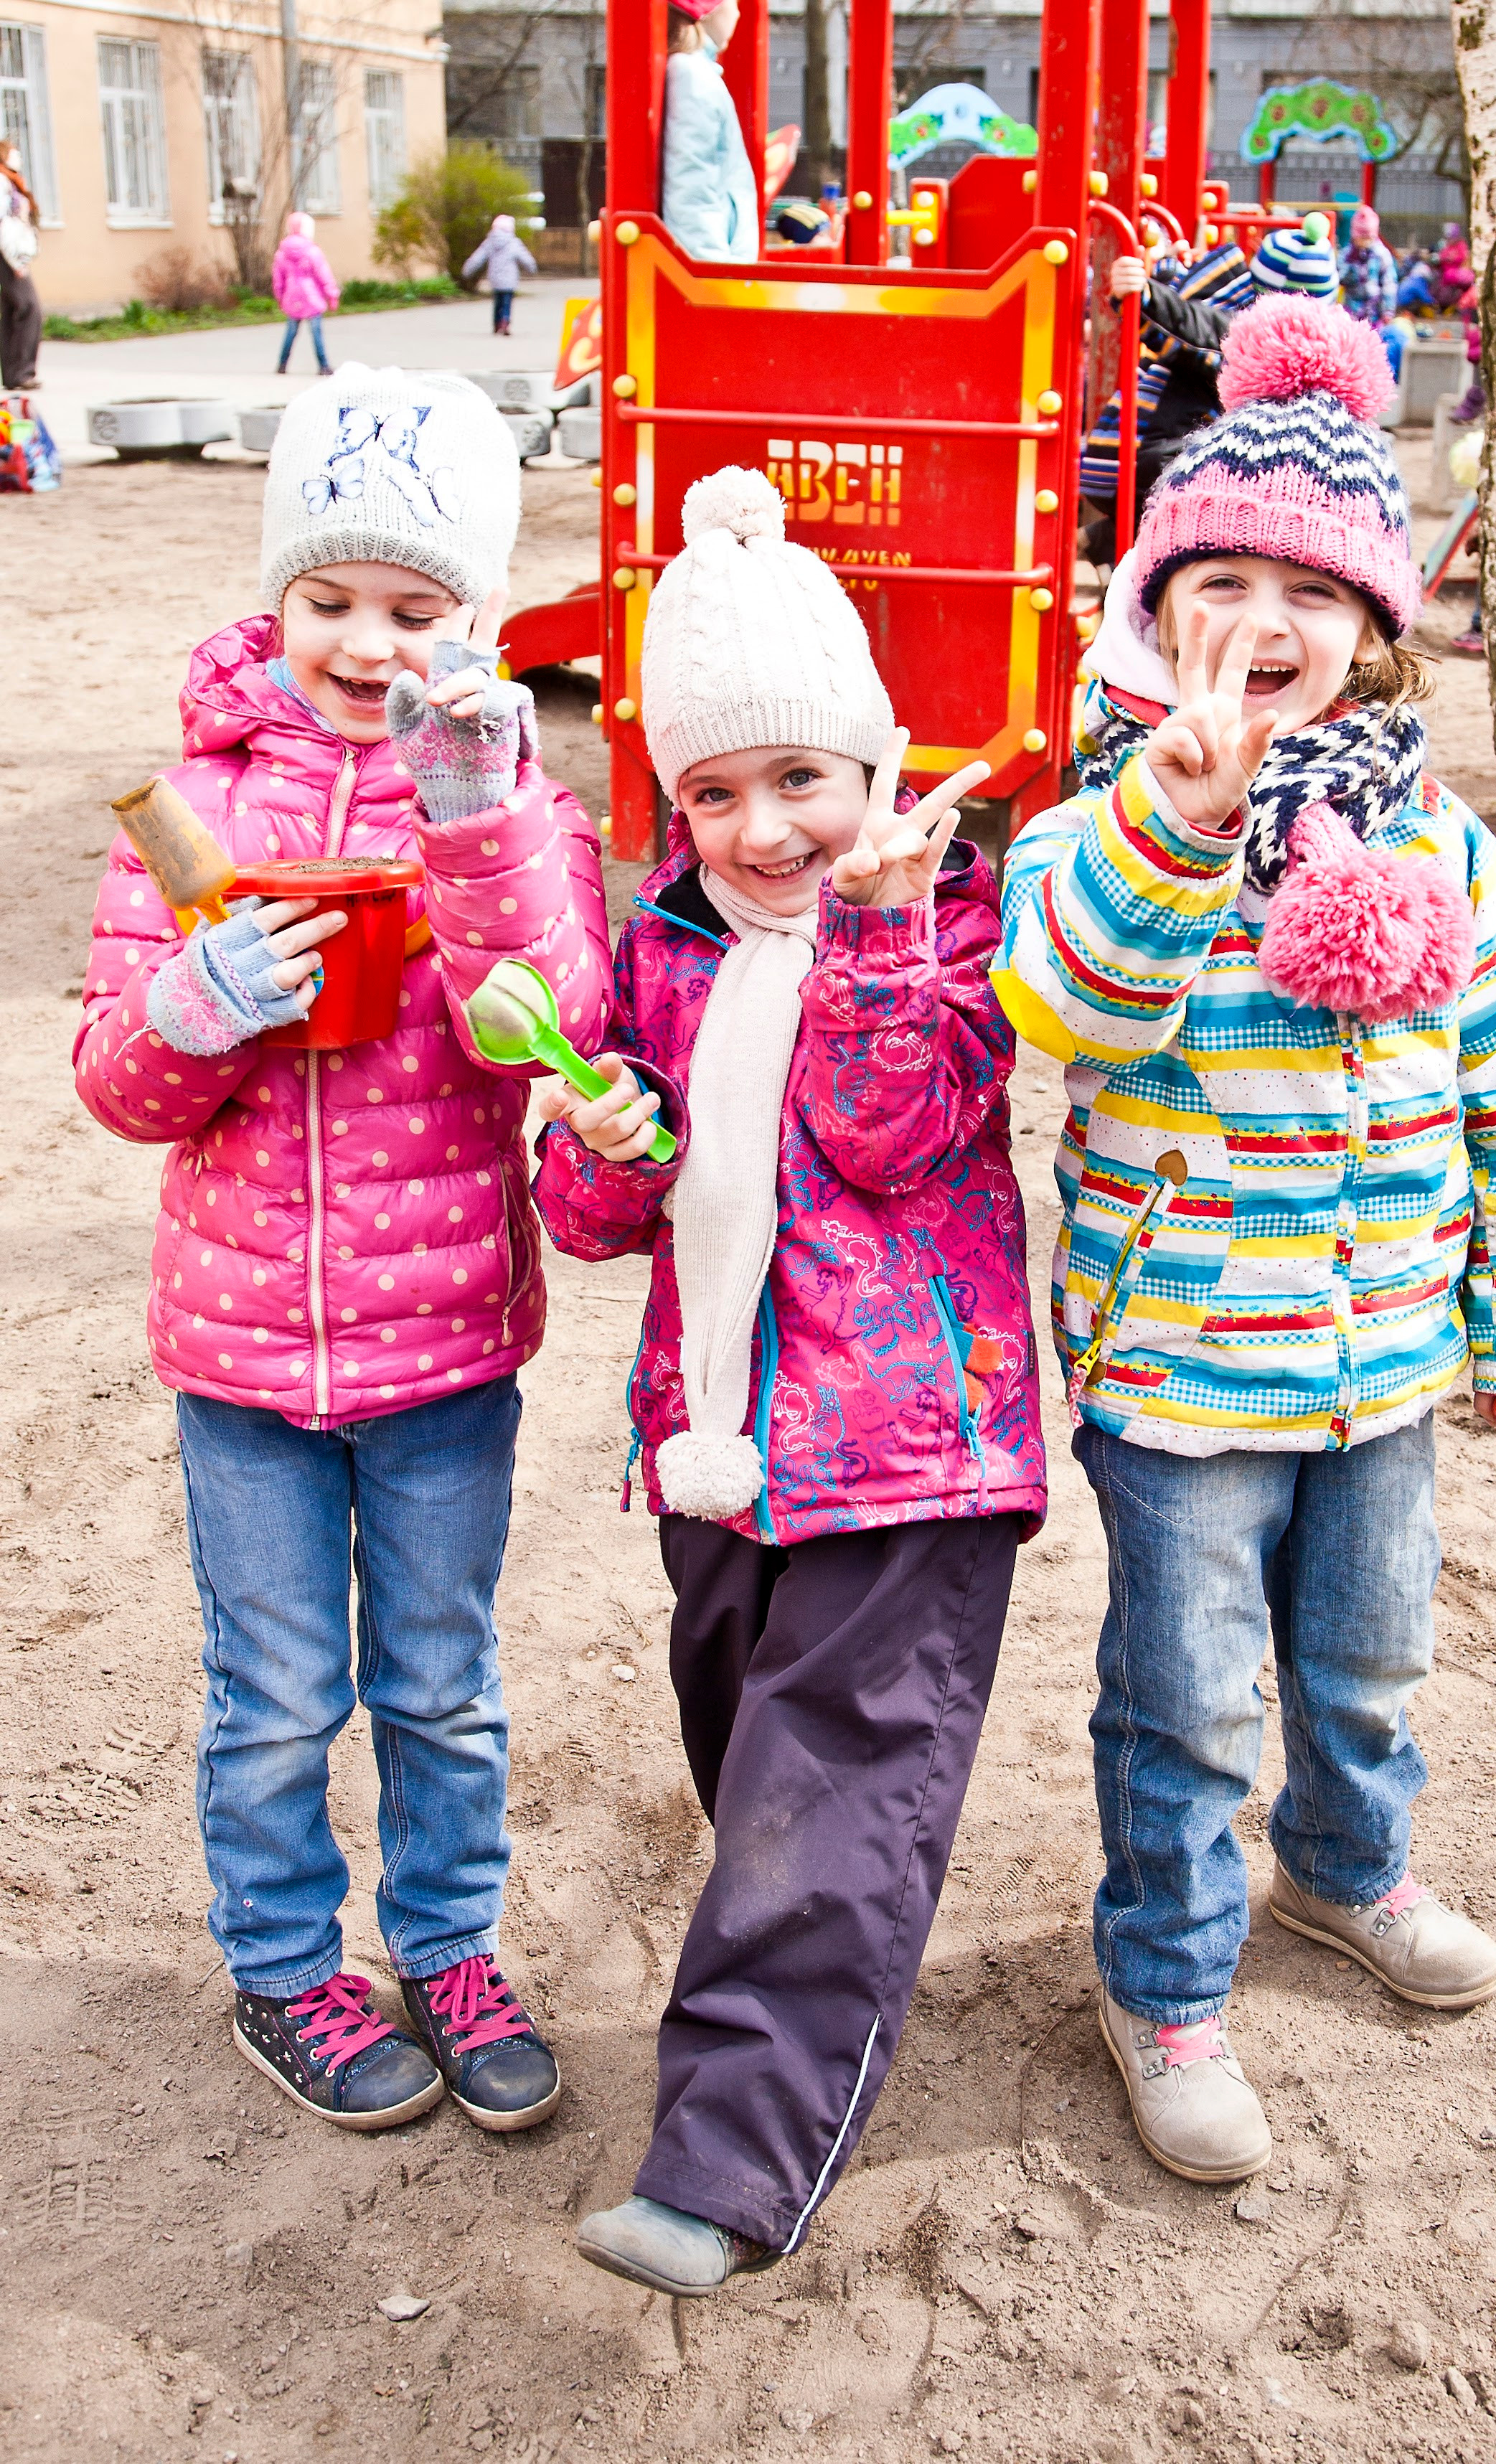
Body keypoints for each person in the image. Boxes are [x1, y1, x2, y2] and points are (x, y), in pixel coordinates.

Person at [995, 297, 1496, 2185]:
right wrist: (1176, 826)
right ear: (1157, 606)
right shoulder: (1093, 822)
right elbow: (1064, 1007)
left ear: (1371, 629)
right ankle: (1163, 1979)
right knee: (1185, 1700)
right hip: (1180, 1370)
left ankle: (1346, 1869)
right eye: (1218, 577)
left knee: (1366, 1659)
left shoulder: (1446, 854)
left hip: (1389, 1356)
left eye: (1309, 592)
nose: (1262, 621)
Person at [74, 366, 615, 2134]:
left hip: (444, 1340)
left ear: (472, 614)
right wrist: (194, 1000)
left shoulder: (504, 786)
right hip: (240, 1359)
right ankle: (287, 1966)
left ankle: (449, 1944)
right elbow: (118, 1083)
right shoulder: (194, 809)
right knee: (276, 1691)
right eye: (330, 600)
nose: (367, 641)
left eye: (415, 605)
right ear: (276, 597)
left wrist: (481, 815)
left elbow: (544, 1019)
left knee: (442, 1683)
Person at [534, 467, 1045, 2295]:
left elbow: (893, 1132)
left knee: (830, 1777)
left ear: (878, 765)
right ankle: (812, 1992)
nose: (765, 830)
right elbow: (598, 1215)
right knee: (743, 1738)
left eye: (801, 780)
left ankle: (731, 2162)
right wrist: (600, 1141)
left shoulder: (951, 925)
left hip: (913, 1442)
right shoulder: (659, 950)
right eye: (715, 790)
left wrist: (880, 943)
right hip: (724, 1441)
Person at [1083, 214, 1337, 545]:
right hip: (1146, 458)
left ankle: (1100, 542)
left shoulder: (1221, 291)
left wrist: (1169, 266)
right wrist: (1145, 296)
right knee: (1198, 522)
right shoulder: (1251, 334)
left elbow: (1186, 302)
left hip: (1139, 452)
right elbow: (1193, 326)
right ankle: (1107, 548)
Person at [661, 0, 761, 263]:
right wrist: (712, 273)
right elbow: (691, 184)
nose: (738, 12)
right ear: (708, 9)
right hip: (713, 268)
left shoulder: (696, 73)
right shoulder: (692, 76)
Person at [270, 211, 337, 375]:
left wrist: (280, 297)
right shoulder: (312, 251)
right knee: (316, 333)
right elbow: (323, 273)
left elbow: (278, 279)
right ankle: (323, 365)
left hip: (291, 296)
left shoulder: (281, 253)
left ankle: (282, 364)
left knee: (291, 332)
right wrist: (332, 294)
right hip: (311, 296)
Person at [0, 141, 42, 391]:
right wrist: (16, 260)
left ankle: (14, 375)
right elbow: (3, 222)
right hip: (8, 256)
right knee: (29, 309)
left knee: (13, 310)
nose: (19, 157)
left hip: (9, 255)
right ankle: (22, 373)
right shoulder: (2, 182)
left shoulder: (10, 180)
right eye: (15, 153)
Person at [1339, 204, 1401, 375]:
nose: (1365, 243)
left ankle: (1372, 373)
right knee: (1351, 343)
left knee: (1374, 343)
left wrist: (1388, 309)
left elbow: (1389, 283)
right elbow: (1339, 276)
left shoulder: (1381, 254)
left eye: (1368, 238)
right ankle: (1351, 372)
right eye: (1361, 238)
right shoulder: (1348, 254)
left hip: (1374, 308)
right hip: (1352, 307)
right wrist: (1349, 273)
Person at [461, 213, 539, 338]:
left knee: (498, 301)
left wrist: (467, 269)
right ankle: (505, 323)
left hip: (495, 278)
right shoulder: (514, 243)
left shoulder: (489, 242)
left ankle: (496, 324)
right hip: (509, 279)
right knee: (507, 302)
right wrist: (532, 267)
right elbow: (525, 257)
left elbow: (478, 257)